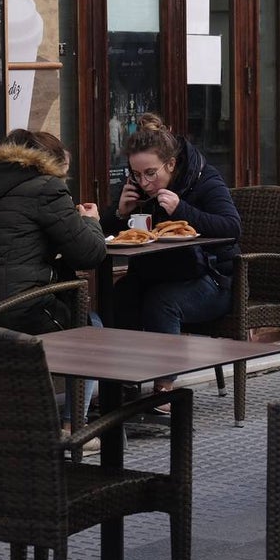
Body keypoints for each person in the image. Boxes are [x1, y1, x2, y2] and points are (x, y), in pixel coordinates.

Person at [0, 128, 104, 445]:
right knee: (91, 330)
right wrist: (91, 221)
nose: (65, 182)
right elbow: (90, 253)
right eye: (64, 173)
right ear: (48, 165)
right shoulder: (45, 188)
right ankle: (74, 430)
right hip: (21, 306)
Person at [101, 113, 242, 406]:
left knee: (162, 301)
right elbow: (108, 235)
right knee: (119, 296)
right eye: (136, 174)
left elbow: (232, 227)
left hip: (213, 281)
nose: (144, 182)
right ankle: (123, 383)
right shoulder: (138, 187)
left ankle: (164, 389)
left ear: (171, 164)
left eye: (151, 173)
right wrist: (119, 213)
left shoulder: (205, 179)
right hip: (157, 273)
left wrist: (182, 210)